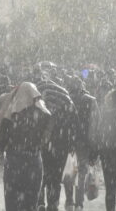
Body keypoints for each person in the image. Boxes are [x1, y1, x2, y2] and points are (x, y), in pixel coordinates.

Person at [0, 82, 51, 211]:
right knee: (31, 202)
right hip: (34, 161)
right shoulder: (43, 114)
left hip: (14, 162)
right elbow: (46, 138)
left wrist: (1, 149)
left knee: (12, 201)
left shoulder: (11, 115)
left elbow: (1, 142)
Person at [37, 81, 79, 211]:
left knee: (42, 175)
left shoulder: (41, 104)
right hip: (61, 147)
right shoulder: (67, 103)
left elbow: (35, 126)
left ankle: (40, 202)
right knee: (55, 177)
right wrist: (72, 145)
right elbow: (75, 126)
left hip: (43, 146)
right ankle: (53, 204)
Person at [64, 76, 100, 211]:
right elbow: (96, 126)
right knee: (81, 173)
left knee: (69, 172)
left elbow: (63, 123)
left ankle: (69, 202)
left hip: (69, 143)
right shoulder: (91, 101)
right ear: (82, 87)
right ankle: (79, 203)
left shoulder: (66, 100)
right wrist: (95, 147)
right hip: (84, 143)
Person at [99, 85, 116, 211]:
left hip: (108, 156)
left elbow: (100, 133)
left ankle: (110, 208)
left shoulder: (107, 112)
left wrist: (97, 152)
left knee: (110, 189)